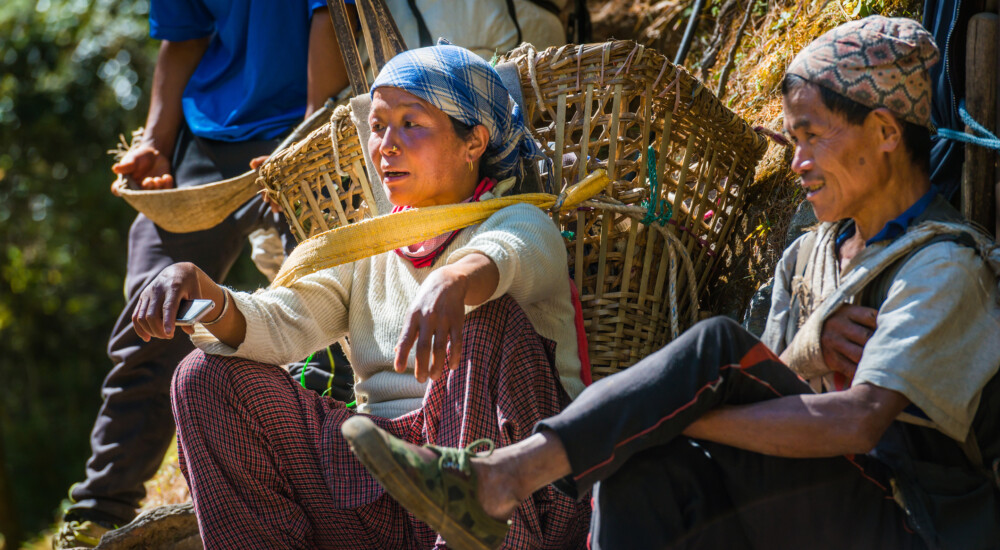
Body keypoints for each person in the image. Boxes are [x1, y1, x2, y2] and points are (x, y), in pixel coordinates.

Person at [342, 16, 1000, 550]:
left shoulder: (944, 265)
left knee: (711, 347)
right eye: (790, 138)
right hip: (812, 506)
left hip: (912, 523)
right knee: (637, 471)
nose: (795, 162)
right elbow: (764, 375)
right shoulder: (811, 254)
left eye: (811, 137)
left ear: (885, 133)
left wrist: (670, 414)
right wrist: (802, 349)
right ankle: (520, 473)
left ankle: (502, 477)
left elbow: (856, 423)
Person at [132, 44, 591, 548]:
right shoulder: (367, 247)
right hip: (381, 486)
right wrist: (209, 295)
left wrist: (452, 281)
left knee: (487, 317)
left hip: (515, 493)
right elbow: (284, 321)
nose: (386, 145)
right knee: (204, 376)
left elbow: (506, 253)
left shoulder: (521, 219)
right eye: (377, 126)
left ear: (473, 141)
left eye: (411, 123)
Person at [56, 2, 349, 547]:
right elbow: (183, 35)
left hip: (309, 125)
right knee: (150, 316)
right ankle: (99, 509)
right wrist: (155, 143)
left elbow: (329, 15)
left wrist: (312, 135)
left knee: (324, 293)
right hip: (209, 139)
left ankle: (338, 477)